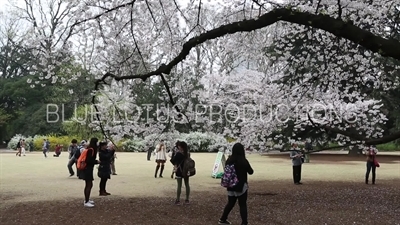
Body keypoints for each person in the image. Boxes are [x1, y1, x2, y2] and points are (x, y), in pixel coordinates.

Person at [218, 143, 254, 225]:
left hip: (231, 185)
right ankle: (244, 222)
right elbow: (251, 172)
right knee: (242, 205)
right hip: (241, 186)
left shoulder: (229, 160)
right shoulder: (243, 161)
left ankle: (222, 219)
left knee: (230, 203)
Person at [78, 138, 100, 208]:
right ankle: (86, 201)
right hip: (87, 169)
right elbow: (88, 160)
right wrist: (96, 162)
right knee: (88, 184)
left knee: (89, 184)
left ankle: (87, 199)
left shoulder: (90, 149)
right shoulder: (91, 150)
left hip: (88, 169)